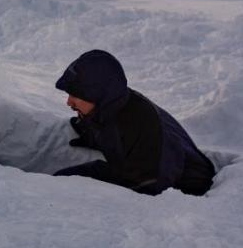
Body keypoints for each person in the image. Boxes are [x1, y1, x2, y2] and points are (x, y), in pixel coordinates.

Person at [53, 49, 215, 196]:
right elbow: (105, 126)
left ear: (97, 95)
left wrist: (84, 176)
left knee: (63, 183)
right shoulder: (111, 104)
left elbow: (148, 183)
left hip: (187, 193)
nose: (69, 102)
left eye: (75, 95)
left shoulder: (141, 125)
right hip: (147, 173)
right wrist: (91, 134)